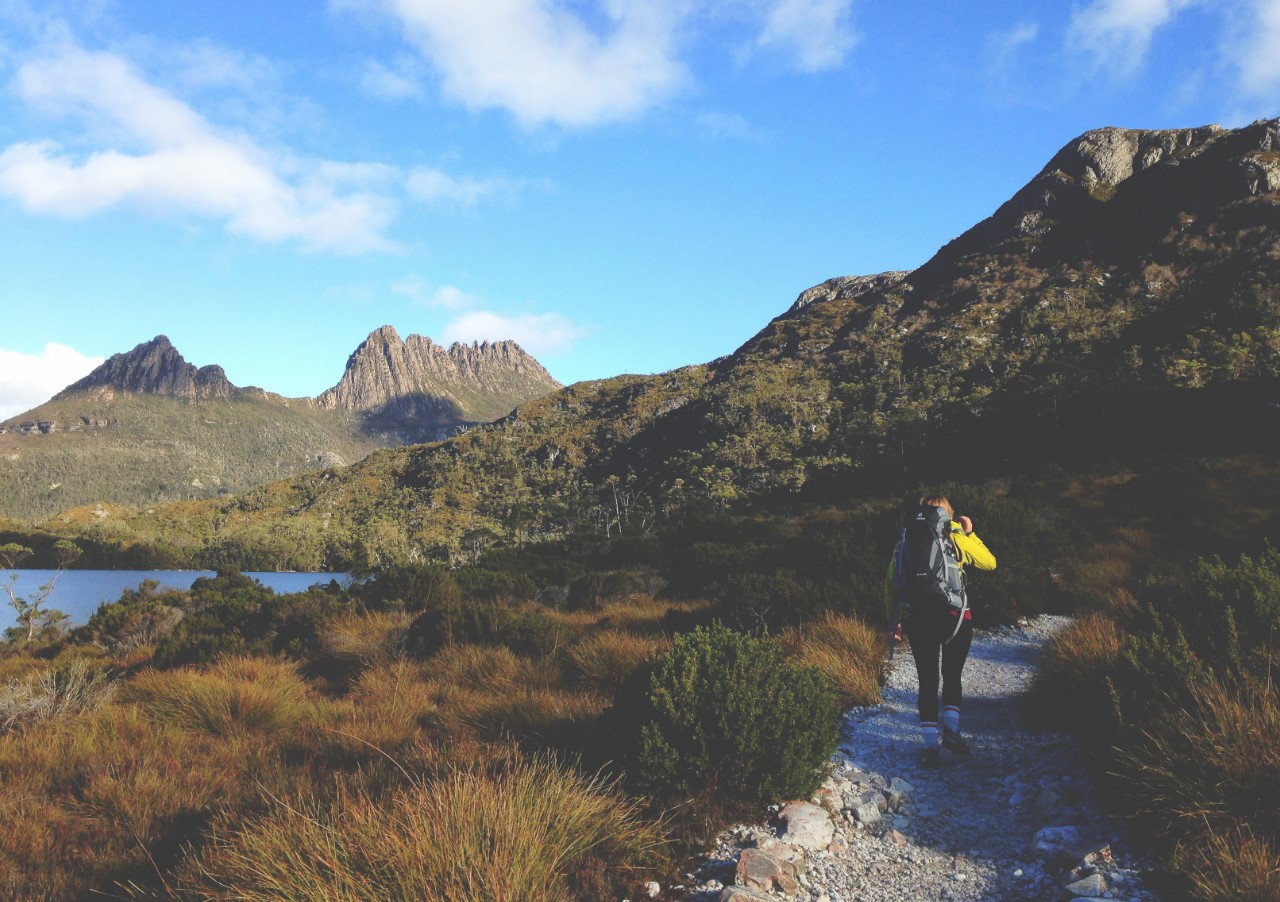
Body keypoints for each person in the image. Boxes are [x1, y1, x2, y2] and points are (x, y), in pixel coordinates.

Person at [886, 494, 996, 766]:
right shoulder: (955, 536)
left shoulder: (905, 541)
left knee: (927, 681)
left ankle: (930, 747)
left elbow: (891, 582)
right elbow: (989, 562)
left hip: (919, 618)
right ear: (948, 515)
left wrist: (894, 620)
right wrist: (968, 534)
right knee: (952, 675)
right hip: (956, 618)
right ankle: (952, 733)